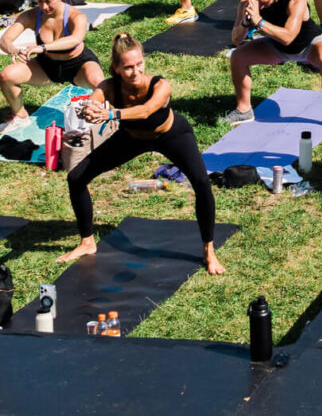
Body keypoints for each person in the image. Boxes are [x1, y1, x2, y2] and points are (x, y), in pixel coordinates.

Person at [57, 37, 224, 274]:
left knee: (202, 183)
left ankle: (209, 250)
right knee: (76, 178)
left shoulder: (160, 85)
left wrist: (111, 115)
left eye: (139, 64)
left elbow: (145, 111)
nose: (135, 71)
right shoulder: (108, 87)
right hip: (132, 139)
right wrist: (92, 109)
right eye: (128, 67)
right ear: (116, 68)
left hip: (171, 135)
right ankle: (87, 242)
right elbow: (96, 100)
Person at [227, 0, 322, 125]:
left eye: (264, 2)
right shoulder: (247, 3)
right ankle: (244, 110)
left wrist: (259, 22)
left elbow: (288, 37)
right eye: (257, 1)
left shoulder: (295, 0)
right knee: (238, 56)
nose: (260, 6)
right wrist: (245, 23)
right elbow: (236, 40)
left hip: (308, 45)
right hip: (276, 46)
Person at [0, 0, 101, 138]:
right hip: (47, 66)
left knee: (100, 84)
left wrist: (42, 47)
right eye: (39, 1)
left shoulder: (75, 16)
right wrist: (13, 49)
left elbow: (75, 39)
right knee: (7, 75)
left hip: (78, 65)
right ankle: (20, 115)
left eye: (48, 1)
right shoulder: (32, 16)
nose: (43, 7)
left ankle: (108, 118)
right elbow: (4, 40)